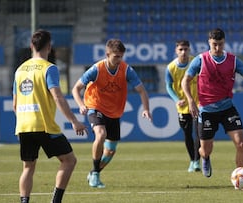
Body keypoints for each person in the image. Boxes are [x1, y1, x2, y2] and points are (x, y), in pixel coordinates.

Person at [181, 28, 243, 191]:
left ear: (224, 43)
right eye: (214, 45)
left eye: (220, 44)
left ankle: (241, 178)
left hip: (227, 108)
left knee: (240, 143)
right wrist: (190, 100)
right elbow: (185, 81)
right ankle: (205, 157)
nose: (217, 48)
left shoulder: (233, 60)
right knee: (205, 149)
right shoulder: (200, 60)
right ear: (209, 43)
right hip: (207, 111)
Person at [13, 29, 87, 203]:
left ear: (32, 46)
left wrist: (23, 121)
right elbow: (58, 97)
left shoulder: (19, 71)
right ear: (49, 46)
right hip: (44, 126)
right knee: (69, 160)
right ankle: (56, 201)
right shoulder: (49, 69)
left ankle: (24, 201)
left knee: (28, 167)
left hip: (23, 126)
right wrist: (74, 121)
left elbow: (15, 104)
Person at [72, 39, 152, 188]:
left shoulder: (126, 69)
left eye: (121, 56)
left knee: (110, 151)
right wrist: (81, 105)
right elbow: (76, 89)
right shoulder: (96, 69)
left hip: (114, 112)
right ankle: (95, 175)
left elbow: (142, 90)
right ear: (107, 54)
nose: (119, 60)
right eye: (116, 56)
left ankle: (94, 172)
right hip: (95, 106)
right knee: (100, 134)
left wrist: (146, 109)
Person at [165, 40, 201, 172]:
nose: (183, 52)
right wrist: (176, 99)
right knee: (187, 135)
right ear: (176, 50)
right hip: (183, 106)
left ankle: (197, 161)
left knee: (199, 134)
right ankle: (192, 160)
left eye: (186, 49)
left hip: (198, 104)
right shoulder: (171, 68)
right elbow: (168, 86)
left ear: (189, 50)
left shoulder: (196, 62)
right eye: (181, 49)